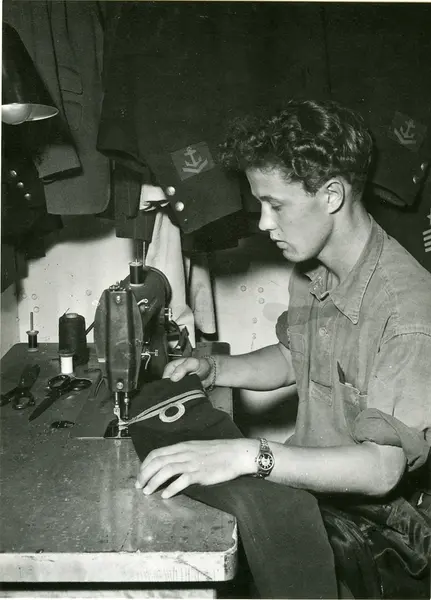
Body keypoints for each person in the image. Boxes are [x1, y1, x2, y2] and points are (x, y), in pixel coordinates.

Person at [135, 100, 431, 595]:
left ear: (332, 195)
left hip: (384, 537)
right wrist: (215, 368)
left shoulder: (407, 315)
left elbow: (382, 470)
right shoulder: (315, 270)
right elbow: (297, 357)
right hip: (317, 498)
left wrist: (251, 455)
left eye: (276, 205)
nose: (264, 224)